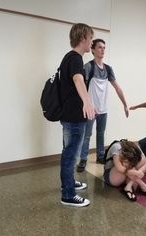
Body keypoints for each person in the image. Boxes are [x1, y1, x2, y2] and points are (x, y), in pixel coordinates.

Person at [76, 38, 129, 172]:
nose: (102, 50)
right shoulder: (88, 67)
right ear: (93, 50)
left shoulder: (108, 69)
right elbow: (80, 85)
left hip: (103, 109)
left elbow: (117, 88)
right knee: (86, 135)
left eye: (104, 47)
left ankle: (100, 156)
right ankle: (83, 159)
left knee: (101, 133)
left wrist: (125, 104)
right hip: (90, 109)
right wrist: (85, 104)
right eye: (100, 47)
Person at [59, 23, 95, 207]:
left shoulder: (69, 57)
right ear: (82, 38)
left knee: (69, 153)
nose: (91, 42)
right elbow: (77, 78)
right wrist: (87, 101)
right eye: (90, 38)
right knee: (70, 156)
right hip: (74, 118)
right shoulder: (75, 59)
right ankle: (68, 195)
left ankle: (69, 183)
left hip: (69, 116)